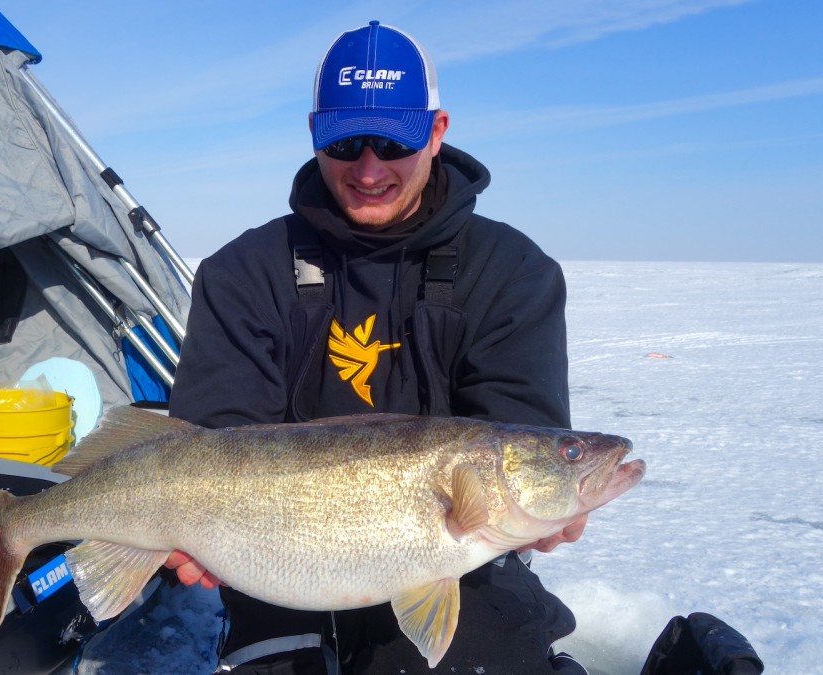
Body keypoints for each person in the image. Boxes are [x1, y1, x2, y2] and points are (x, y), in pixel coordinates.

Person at [167, 21, 588, 675]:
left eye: (394, 142)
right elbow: (213, 435)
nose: (368, 169)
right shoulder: (242, 272)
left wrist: (551, 493)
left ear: (437, 131)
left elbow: (521, 430)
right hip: (279, 554)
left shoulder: (512, 271)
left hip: (458, 559)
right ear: (314, 133)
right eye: (345, 143)